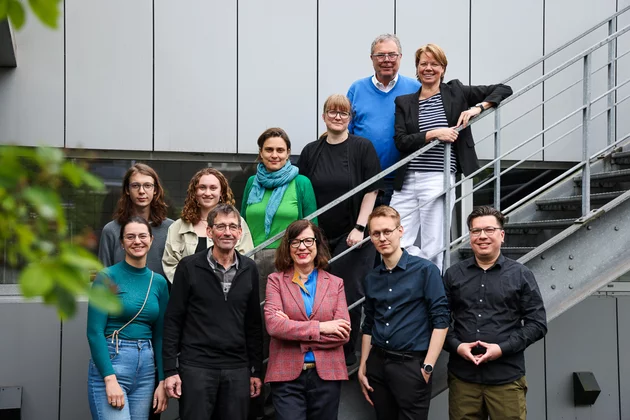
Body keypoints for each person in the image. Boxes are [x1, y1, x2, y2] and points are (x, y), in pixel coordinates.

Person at [390, 43, 513, 272]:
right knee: (395, 238)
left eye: (434, 64)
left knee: (434, 244)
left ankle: (428, 288)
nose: (429, 68)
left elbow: (504, 88)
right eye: (423, 64)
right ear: (417, 68)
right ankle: (411, 277)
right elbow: (401, 140)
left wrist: (478, 108)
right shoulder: (404, 102)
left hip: (438, 176)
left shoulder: (456, 92)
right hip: (406, 180)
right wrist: (435, 133)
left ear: (443, 69)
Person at [298, 94, 383, 366]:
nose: (337, 117)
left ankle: (345, 355)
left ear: (350, 118)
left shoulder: (362, 147)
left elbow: (372, 189)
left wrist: (360, 227)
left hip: (353, 234)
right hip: (318, 237)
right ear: (323, 116)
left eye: (343, 113)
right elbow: (302, 190)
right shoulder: (312, 150)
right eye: (332, 112)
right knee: (314, 292)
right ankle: (317, 350)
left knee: (347, 293)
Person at [443, 206, 547, 420]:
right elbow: (439, 321)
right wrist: (457, 345)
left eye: (489, 230)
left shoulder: (521, 275)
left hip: (506, 380)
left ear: (501, 235)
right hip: (463, 380)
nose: (482, 236)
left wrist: (502, 348)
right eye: (475, 231)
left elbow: (537, 324)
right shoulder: (453, 275)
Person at [162, 204, 263, 420]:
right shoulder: (188, 267)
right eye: (221, 226)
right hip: (196, 366)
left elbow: (254, 323)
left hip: (237, 368)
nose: (227, 232)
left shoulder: (249, 269)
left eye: (232, 227)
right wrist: (170, 370)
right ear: (209, 232)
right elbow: (173, 320)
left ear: (239, 233)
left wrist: (256, 370)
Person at [358, 206, 449, 420]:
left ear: (400, 231)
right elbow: (369, 324)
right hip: (377, 365)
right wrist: (363, 366)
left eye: (387, 231)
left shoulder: (426, 270)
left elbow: (441, 320)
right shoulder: (372, 278)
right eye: (376, 233)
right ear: (370, 237)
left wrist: (427, 366)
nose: (382, 238)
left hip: (411, 366)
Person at [264, 219, 350, 420]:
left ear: (317, 244)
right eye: (295, 242)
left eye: (308, 241)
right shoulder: (275, 281)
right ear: (288, 247)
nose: (302, 247)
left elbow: (343, 334)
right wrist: (322, 327)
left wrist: (292, 329)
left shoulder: (335, 284)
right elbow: (275, 326)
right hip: (286, 377)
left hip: (327, 376)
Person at [87, 216, 170, 420]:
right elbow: (94, 332)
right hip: (114, 360)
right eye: (130, 237)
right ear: (122, 243)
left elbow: (160, 336)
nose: (137, 241)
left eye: (143, 236)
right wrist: (109, 378)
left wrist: (162, 381)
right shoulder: (106, 277)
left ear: (151, 240)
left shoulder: (158, 282)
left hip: (146, 368)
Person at [242, 127, 318, 298]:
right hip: (251, 258)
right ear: (261, 152)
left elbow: (312, 227)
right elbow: (242, 222)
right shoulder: (251, 182)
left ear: (288, 153)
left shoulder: (301, 182)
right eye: (269, 149)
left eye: (280, 150)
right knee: (254, 312)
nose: (274, 155)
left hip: (287, 258)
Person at [347, 33, 420, 205]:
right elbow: (345, 131)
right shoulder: (357, 89)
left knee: (397, 231)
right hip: (364, 180)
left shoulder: (415, 89)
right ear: (372, 58)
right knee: (364, 231)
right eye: (380, 55)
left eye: (392, 54)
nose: (386, 59)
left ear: (400, 57)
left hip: (404, 182)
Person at [162, 168, 254, 283]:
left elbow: (246, 259)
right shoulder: (178, 227)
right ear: (194, 192)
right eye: (202, 187)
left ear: (221, 192)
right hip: (189, 296)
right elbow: (170, 264)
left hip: (228, 293)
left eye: (213, 188)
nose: (207, 193)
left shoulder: (237, 223)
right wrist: (190, 286)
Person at [99, 163, 173, 278]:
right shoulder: (111, 230)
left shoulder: (171, 229)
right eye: (135, 185)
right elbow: (103, 277)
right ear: (127, 190)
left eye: (147, 185)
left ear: (155, 190)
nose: (141, 191)